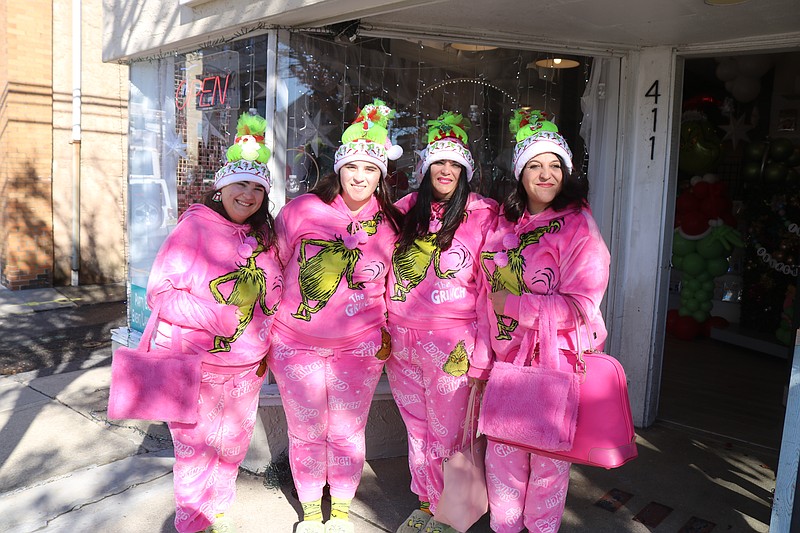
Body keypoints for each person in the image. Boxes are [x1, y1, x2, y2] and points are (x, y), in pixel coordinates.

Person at [468, 109, 611, 533]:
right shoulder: (502, 225)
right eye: (534, 165)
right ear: (520, 174)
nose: (545, 174)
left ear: (566, 174)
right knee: (503, 456)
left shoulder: (579, 228)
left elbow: (582, 304)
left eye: (554, 165)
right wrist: (481, 360)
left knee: (548, 463)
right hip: (505, 362)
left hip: (557, 363)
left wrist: (515, 304)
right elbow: (482, 299)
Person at [269, 99, 404, 533]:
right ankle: (310, 512)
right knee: (305, 430)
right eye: (352, 168)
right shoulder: (301, 210)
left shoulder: (392, 222)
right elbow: (273, 268)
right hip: (295, 343)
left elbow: (396, 285)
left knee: (347, 431)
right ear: (338, 170)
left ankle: (341, 510)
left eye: (370, 169)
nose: (360, 177)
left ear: (381, 175)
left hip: (360, 346)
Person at [145, 112, 283, 533]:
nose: (248, 194)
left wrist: (267, 342)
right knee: (194, 451)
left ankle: (218, 515)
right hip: (193, 366)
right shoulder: (193, 229)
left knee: (232, 447)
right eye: (241, 183)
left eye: (258, 187)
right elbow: (160, 292)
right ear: (221, 186)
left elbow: (273, 300)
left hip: (245, 368)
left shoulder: (264, 238)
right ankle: (191, 524)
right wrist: (218, 318)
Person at [385, 111, 497, 533]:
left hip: (455, 343)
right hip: (402, 341)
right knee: (418, 430)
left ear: (465, 169)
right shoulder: (402, 210)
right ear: (426, 167)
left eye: (455, 163)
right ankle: (428, 503)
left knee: (451, 434)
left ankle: (454, 511)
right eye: (439, 162)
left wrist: (484, 349)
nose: (446, 170)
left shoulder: (484, 213)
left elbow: (492, 287)